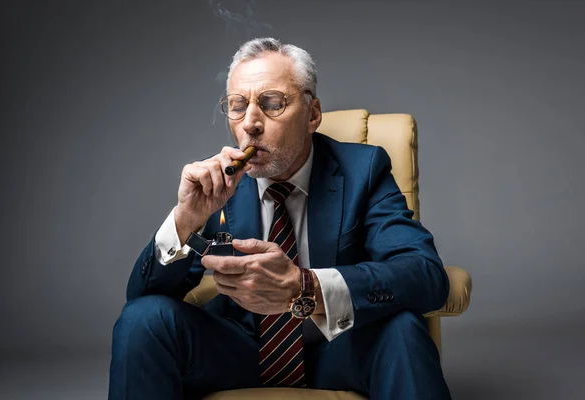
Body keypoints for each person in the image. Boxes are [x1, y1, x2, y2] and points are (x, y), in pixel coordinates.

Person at [109, 37, 452, 400]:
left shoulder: (362, 170)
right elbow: (140, 299)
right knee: (143, 319)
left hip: (340, 349)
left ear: (313, 115)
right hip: (237, 351)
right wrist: (185, 220)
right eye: (237, 107)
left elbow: (426, 275)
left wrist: (305, 287)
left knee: (401, 329)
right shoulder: (217, 184)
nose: (251, 124)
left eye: (272, 103)